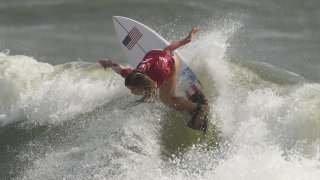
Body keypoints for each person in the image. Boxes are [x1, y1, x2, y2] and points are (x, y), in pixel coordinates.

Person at [99, 26, 208, 131]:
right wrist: (108, 63)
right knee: (159, 97)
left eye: (133, 89)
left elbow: (168, 50)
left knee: (167, 100)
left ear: (140, 84)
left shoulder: (159, 73)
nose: (131, 92)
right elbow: (120, 69)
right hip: (153, 54)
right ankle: (182, 102)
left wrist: (187, 40)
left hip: (171, 62)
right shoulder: (133, 76)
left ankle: (199, 108)